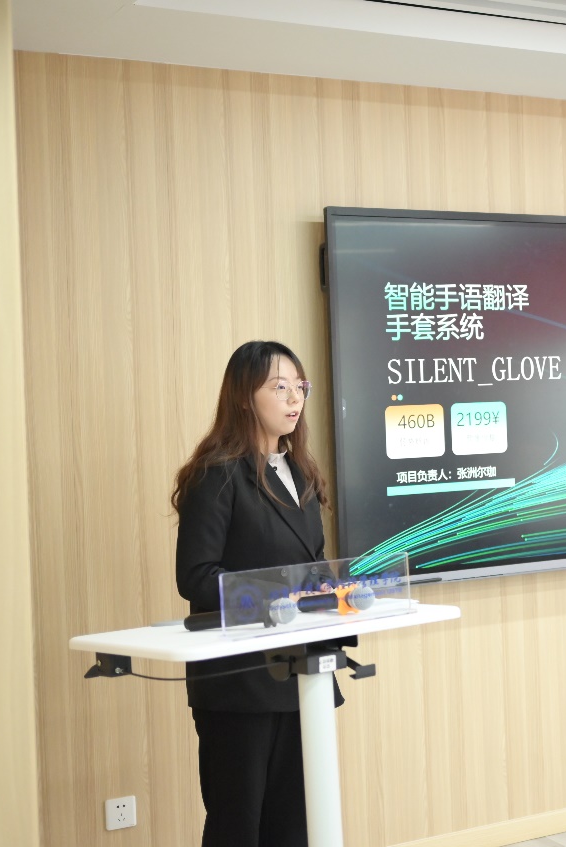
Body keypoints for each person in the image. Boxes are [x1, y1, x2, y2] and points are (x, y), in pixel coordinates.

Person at [171, 340, 330, 847]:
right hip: (239, 681)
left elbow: (313, 565)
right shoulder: (216, 474)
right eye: (280, 387)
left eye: (300, 387)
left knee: (295, 825)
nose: (295, 399)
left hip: (301, 672)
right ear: (244, 397)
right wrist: (284, 594)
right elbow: (197, 577)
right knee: (238, 826)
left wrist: (330, 588)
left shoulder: (301, 473)